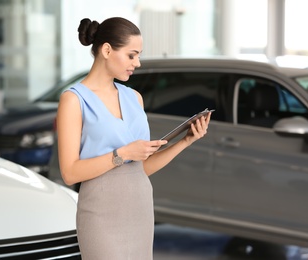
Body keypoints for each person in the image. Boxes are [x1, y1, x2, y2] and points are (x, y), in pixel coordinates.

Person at [56, 17, 211, 260]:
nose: (137, 63)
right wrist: (122, 154)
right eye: (132, 55)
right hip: (100, 213)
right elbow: (70, 173)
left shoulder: (134, 98)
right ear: (107, 50)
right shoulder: (74, 100)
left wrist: (185, 141)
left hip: (140, 209)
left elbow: (142, 168)